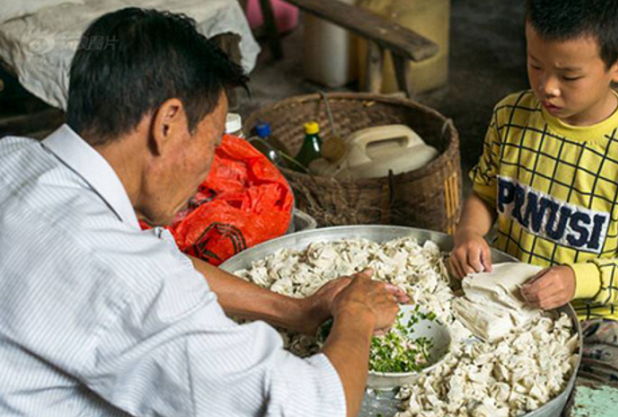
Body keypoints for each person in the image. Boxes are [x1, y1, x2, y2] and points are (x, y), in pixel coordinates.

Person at [0, 8, 409, 417]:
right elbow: (314, 406)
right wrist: (356, 315)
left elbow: (162, 258)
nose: (210, 168)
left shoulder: (12, 157)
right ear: (168, 124)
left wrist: (296, 311)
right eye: (212, 144)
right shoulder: (128, 281)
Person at [450, 0, 618, 390]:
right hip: (500, 294)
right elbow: (485, 194)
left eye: (569, 76)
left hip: (592, 320)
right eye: (535, 64)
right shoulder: (510, 117)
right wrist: (469, 233)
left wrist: (577, 279)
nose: (546, 87)